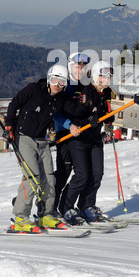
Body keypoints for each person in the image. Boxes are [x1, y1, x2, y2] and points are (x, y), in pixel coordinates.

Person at [4, 64, 69, 233]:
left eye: (62, 82)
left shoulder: (60, 99)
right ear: (48, 79)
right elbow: (15, 103)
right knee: (32, 177)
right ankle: (20, 218)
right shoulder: (34, 89)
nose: (57, 85)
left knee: (49, 179)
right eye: (55, 80)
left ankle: (45, 215)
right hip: (23, 137)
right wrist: (9, 126)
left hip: (42, 140)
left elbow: (74, 110)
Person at [62, 60, 115, 225]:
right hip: (79, 139)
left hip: (95, 139)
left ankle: (86, 206)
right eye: (104, 75)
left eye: (109, 76)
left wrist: (108, 116)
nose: (107, 79)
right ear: (96, 76)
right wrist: (88, 116)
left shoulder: (105, 93)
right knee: (82, 176)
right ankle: (66, 207)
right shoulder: (86, 91)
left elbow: (105, 112)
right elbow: (77, 112)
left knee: (97, 175)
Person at [53, 52, 91, 214]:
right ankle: (48, 208)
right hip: (64, 133)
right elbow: (55, 111)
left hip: (78, 134)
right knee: (63, 173)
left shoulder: (82, 85)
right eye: (77, 67)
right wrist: (69, 125)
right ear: (70, 67)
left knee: (81, 173)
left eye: (83, 67)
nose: (80, 70)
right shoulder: (65, 84)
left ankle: (65, 206)